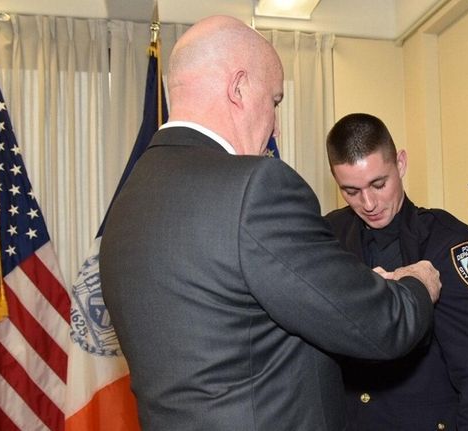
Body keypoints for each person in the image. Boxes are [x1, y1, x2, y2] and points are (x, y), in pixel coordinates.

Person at [99, 16, 442, 431]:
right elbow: (381, 325)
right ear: (239, 87)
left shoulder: (128, 200)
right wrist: (417, 282)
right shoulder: (254, 187)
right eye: (275, 101)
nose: (276, 126)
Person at [325, 113, 468, 430]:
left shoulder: (449, 243)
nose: (368, 203)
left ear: (400, 163)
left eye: (378, 184)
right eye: (351, 191)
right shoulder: (328, 234)